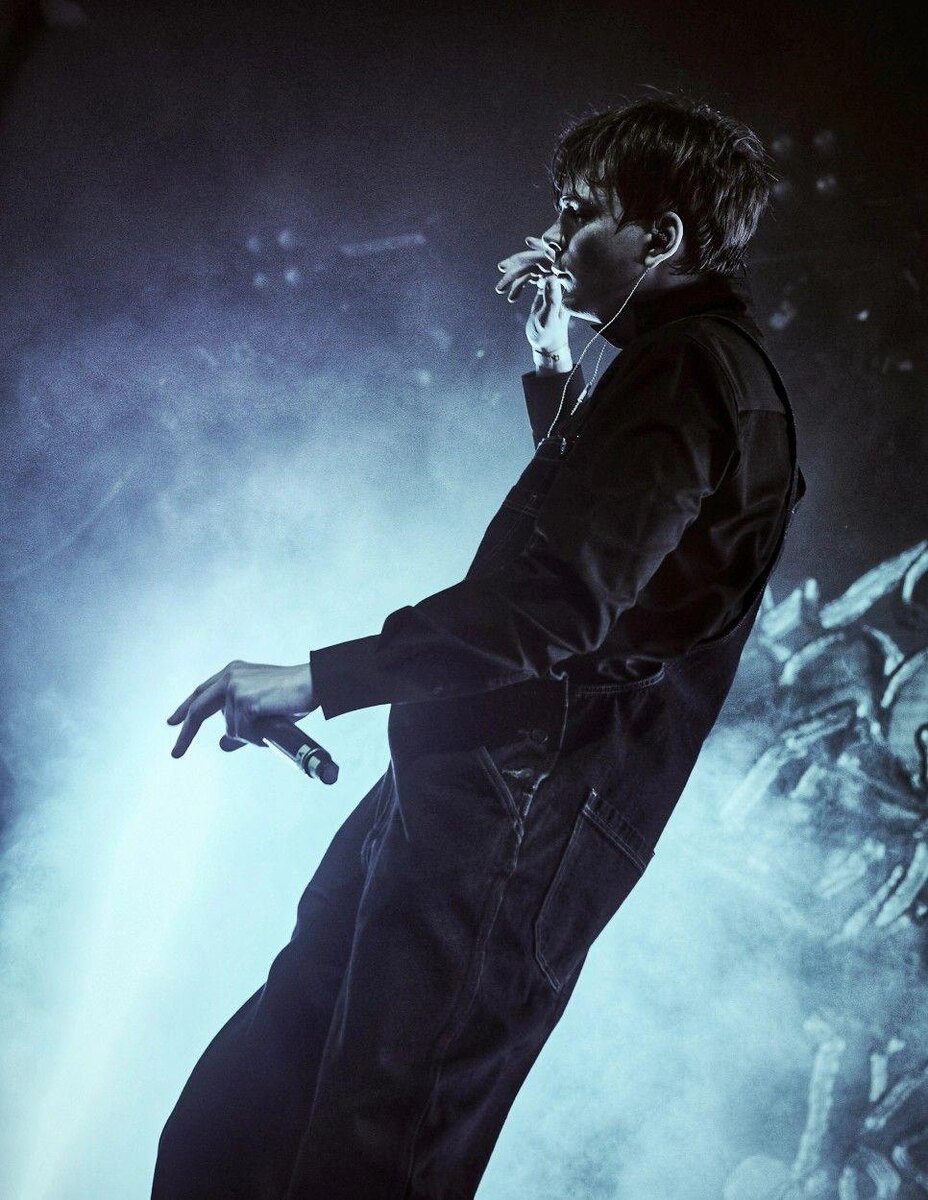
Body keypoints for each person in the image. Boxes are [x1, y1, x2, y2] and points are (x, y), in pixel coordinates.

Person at [152, 95, 806, 1199]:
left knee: (371, 1154)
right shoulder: (681, 369)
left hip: (519, 818)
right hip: (473, 789)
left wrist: (318, 679)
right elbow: (615, 548)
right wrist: (555, 370)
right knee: (247, 1118)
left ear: (661, 237)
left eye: (581, 212)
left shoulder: (696, 370)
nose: (553, 235)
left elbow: (555, 606)